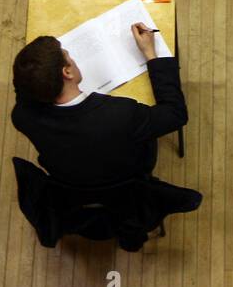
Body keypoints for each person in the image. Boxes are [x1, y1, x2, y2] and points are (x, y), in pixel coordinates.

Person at [11, 25, 187, 188]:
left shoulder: (22, 117)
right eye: (68, 56)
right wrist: (150, 53)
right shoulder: (121, 115)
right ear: (67, 72)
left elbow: (22, 89)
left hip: (71, 188)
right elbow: (175, 114)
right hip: (130, 182)